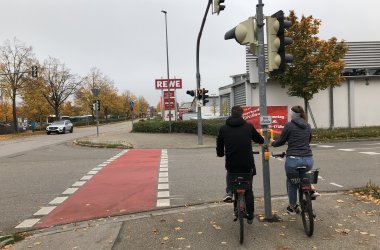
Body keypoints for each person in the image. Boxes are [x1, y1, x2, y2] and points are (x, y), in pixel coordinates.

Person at [216, 106, 264, 223]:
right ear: (242, 115)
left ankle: (230, 191)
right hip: (247, 164)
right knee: (248, 189)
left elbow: (219, 145)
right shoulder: (248, 127)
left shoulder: (223, 128)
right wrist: (261, 139)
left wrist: (221, 153)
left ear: (231, 114)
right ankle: (250, 214)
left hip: (232, 163)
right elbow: (260, 140)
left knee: (230, 174)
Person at [270, 105, 319, 215]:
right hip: (308, 159)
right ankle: (311, 189)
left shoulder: (289, 125)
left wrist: (272, 142)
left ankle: (292, 206)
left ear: (293, 115)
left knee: (291, 182)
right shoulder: (307, 125)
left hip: (293, 159)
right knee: (304, 174)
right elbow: (308, 140)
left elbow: (281, 141)